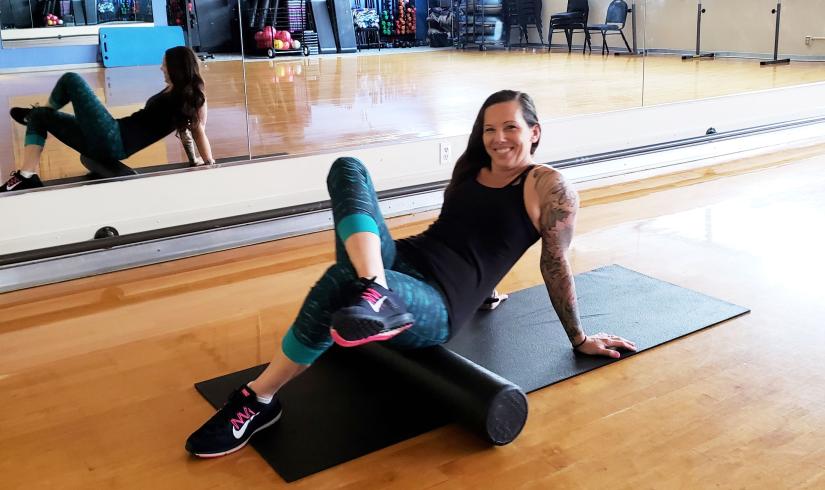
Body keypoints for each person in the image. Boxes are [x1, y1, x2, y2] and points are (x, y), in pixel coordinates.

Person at [184, 90, 637, 458]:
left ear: (534, 132)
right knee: (348, 168)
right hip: (398, 262)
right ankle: (373, 287)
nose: (499, 138)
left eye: (511, 127)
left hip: (435, 302)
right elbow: (468, 234)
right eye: (489, 129)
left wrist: (579, 339)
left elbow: (553, 263)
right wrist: (489, 288)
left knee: (338, 283)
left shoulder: (548, 186)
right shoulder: (472, 169)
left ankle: (258, 400)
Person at [1, 46, 214, 193]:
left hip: (114, 137)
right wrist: (193, 160)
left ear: (175, 68)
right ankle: (26, 176)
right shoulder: (176, 92)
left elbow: (197, 130)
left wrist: (209, 163)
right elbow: (186, 130)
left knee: (71, 80)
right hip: (112, 138)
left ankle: (43, 113)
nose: (161, 68)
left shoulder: (193, 99)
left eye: (164, 64)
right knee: (39, 116)